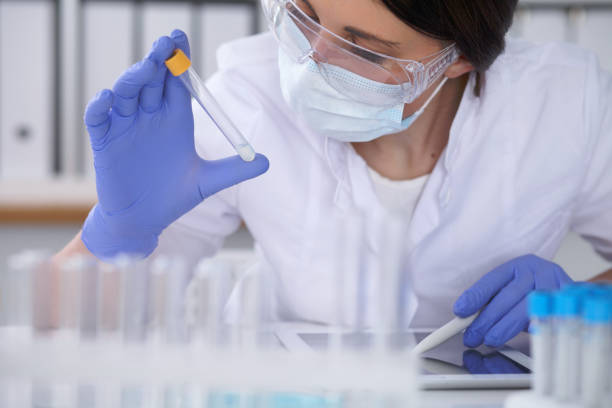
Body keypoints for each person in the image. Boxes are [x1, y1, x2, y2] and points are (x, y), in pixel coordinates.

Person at [55, 0, 612, 348]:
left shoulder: (566, 100)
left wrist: (589, 306)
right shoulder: (244, 99)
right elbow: (64, 328)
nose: (310, 61)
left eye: (363, 51)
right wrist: (115, 233)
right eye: (307, 15)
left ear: (458, 60)